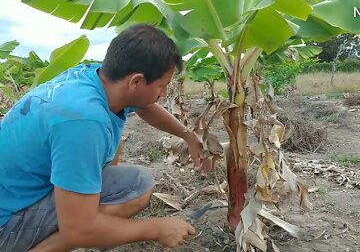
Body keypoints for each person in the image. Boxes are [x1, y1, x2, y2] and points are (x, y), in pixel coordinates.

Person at [0, 24, 210, 251]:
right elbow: (77, 229)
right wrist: (156, 228)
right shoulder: (85, 122)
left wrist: (187, 136)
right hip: (7, 224)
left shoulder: (92, 77)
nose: (164, 94)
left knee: (134, 181)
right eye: (162, 86)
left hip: (14, 193)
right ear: (136, 81)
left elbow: (145, 107)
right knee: (131, 193)